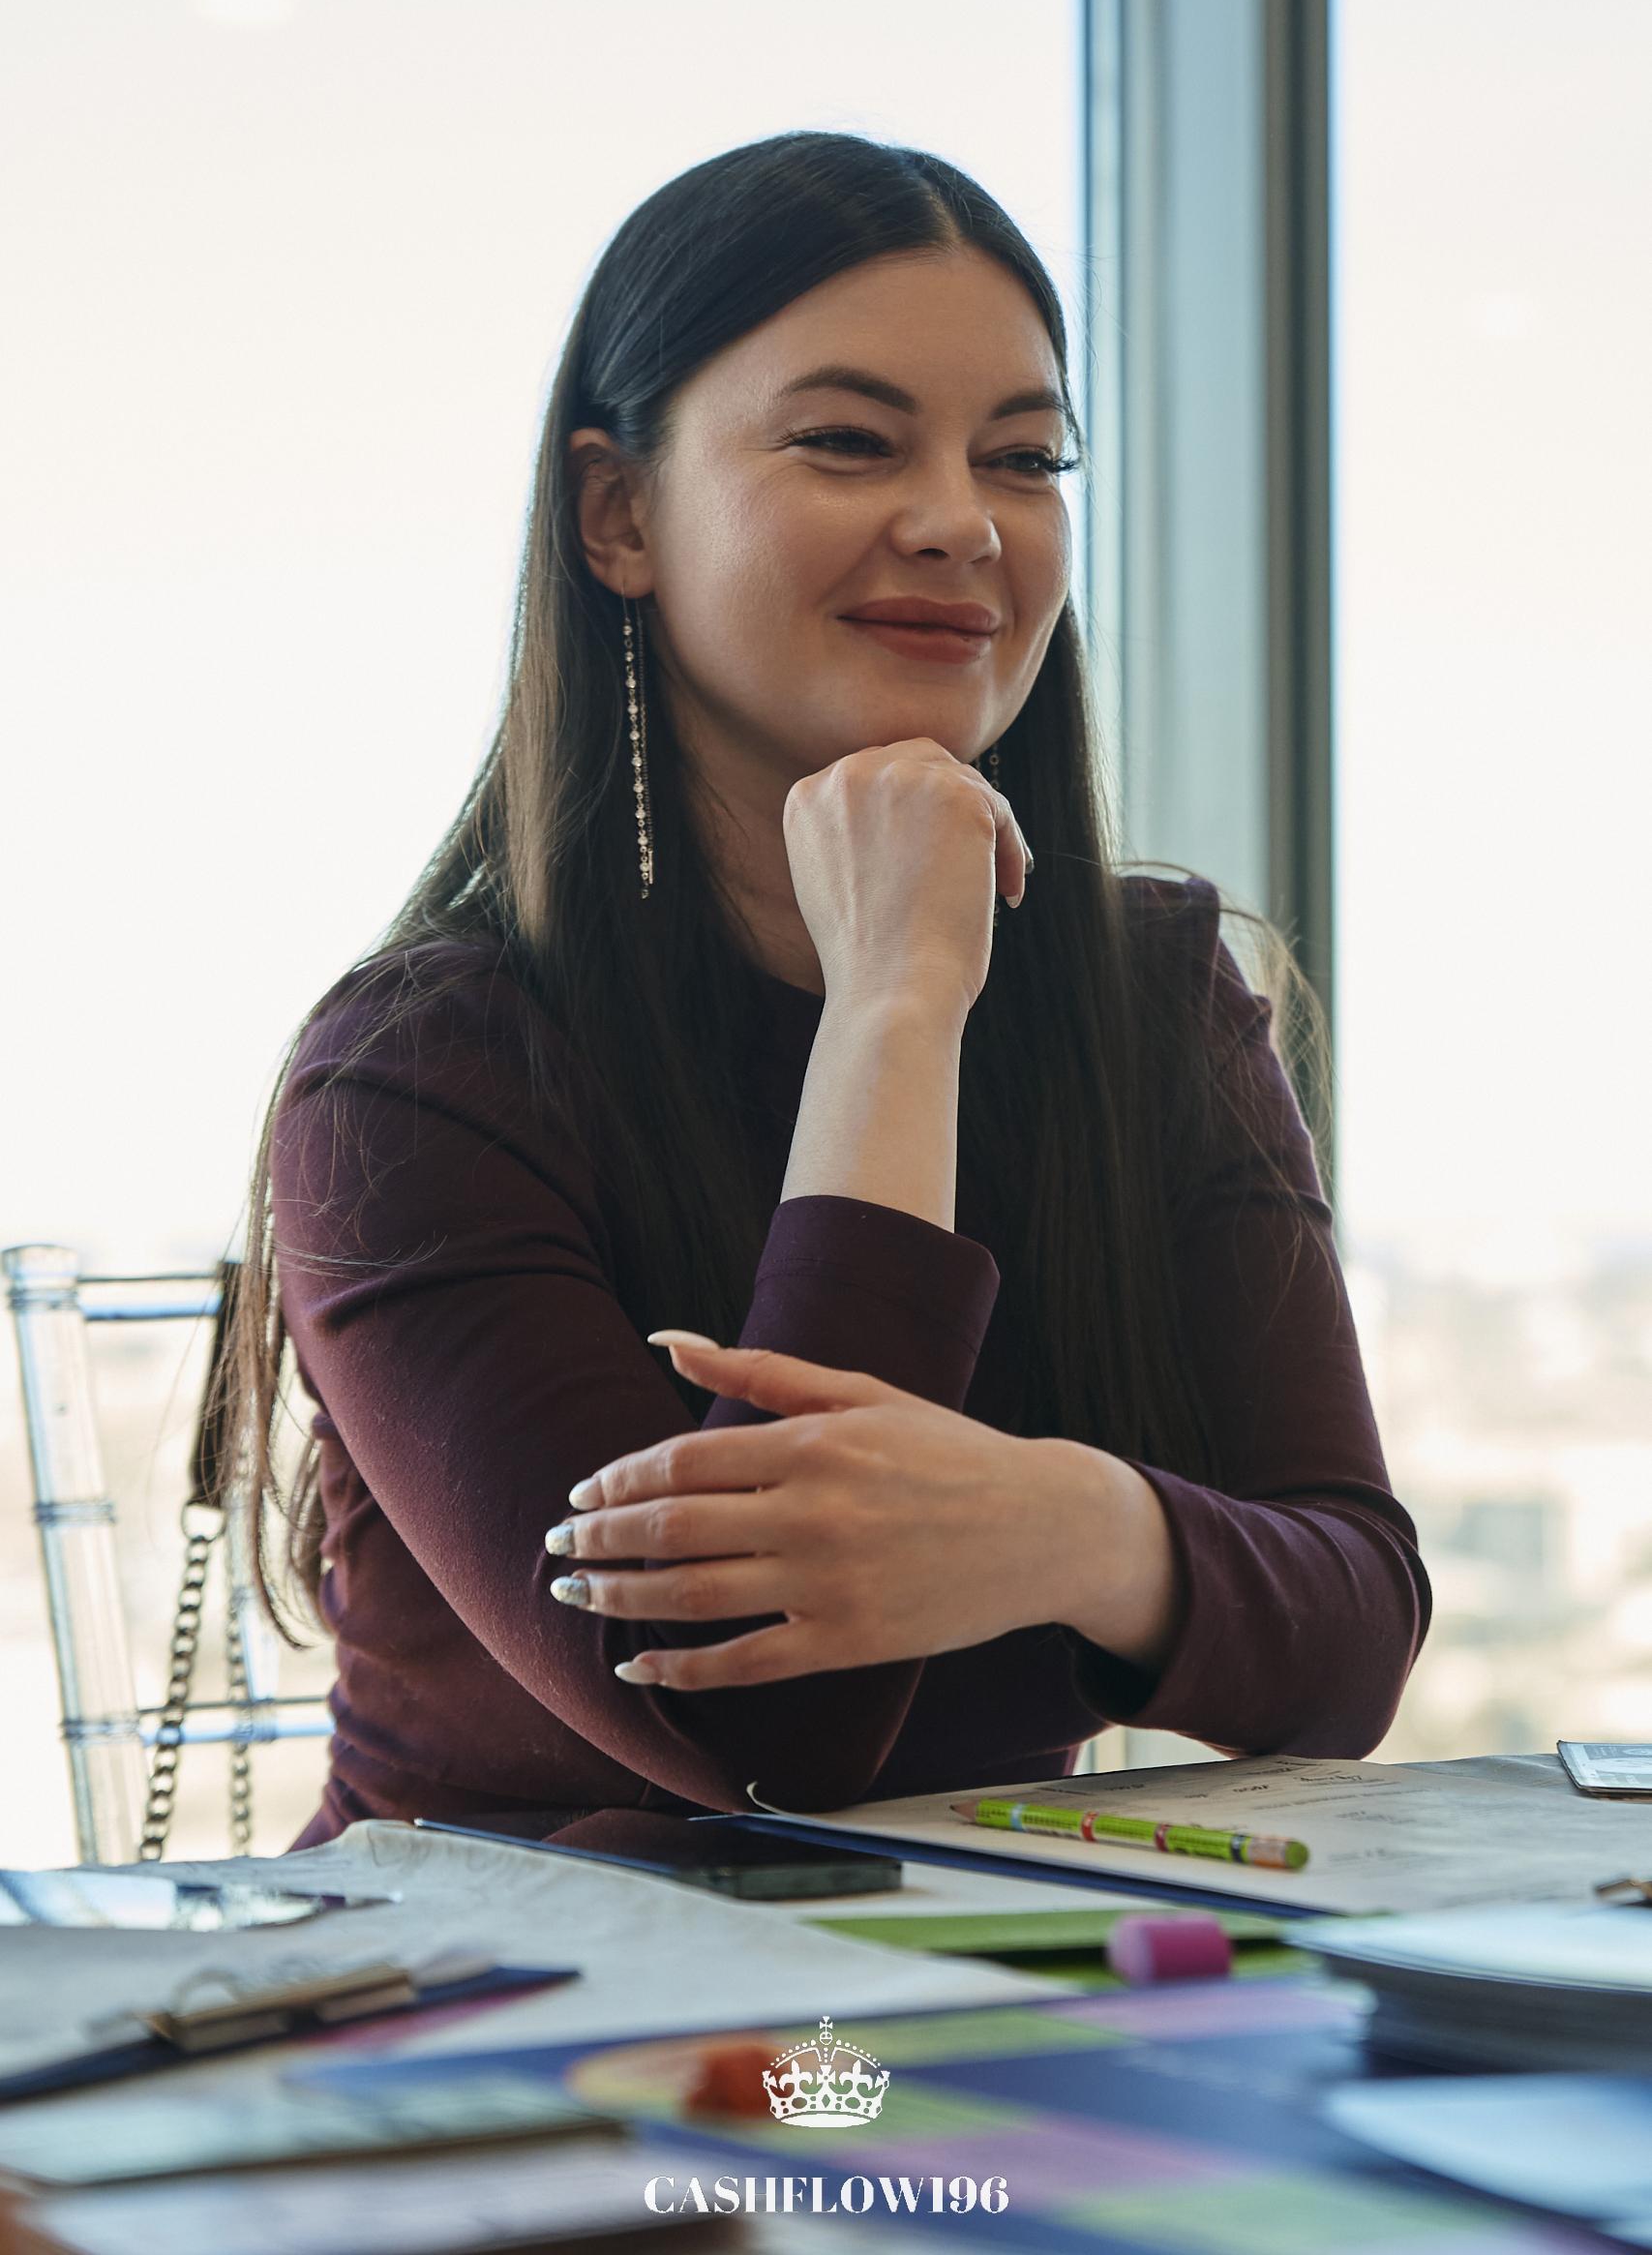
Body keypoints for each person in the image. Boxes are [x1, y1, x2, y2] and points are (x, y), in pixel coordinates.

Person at [221, 131, 1429, 1847]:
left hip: (961, 1981)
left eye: (1025, 458)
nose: (960, 523)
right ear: (619, 515)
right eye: (850, 443)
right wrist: (894, 1010)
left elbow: (1353, 1639)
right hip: (503, 1993)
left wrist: (1061, 1525)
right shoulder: (419, 1073)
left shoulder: (1149, 997)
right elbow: (763, 1730)